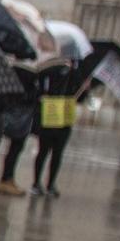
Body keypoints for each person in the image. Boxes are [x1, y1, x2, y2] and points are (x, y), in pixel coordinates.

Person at [29, 61, 80, 198]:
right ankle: (43, 183)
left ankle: (44, 183)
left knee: (50, 151)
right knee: (49, 151)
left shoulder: (73, 75)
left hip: (58, 116)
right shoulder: (53, 71)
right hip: (55, 115)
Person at [0, 78, 37, 194]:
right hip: (19, 116)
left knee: (14, 149)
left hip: (11, 113)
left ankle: (7, 178)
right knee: (15, 148)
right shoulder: (28, 74)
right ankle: (6, 178)